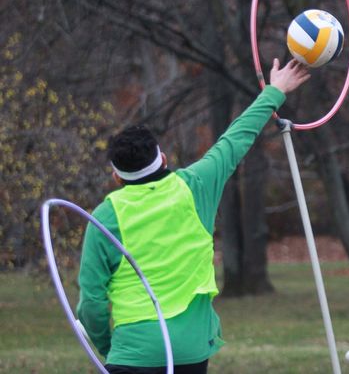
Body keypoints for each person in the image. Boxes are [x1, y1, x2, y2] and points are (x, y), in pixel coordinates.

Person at [77, 59, 310, 373]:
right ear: (162, 158)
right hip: (189, 351)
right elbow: (236, 138)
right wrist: (274, 91)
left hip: (132, 352)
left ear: (117, 178)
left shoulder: (103, 217)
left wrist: (111, 348)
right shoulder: (196, 185)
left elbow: (90, 304)